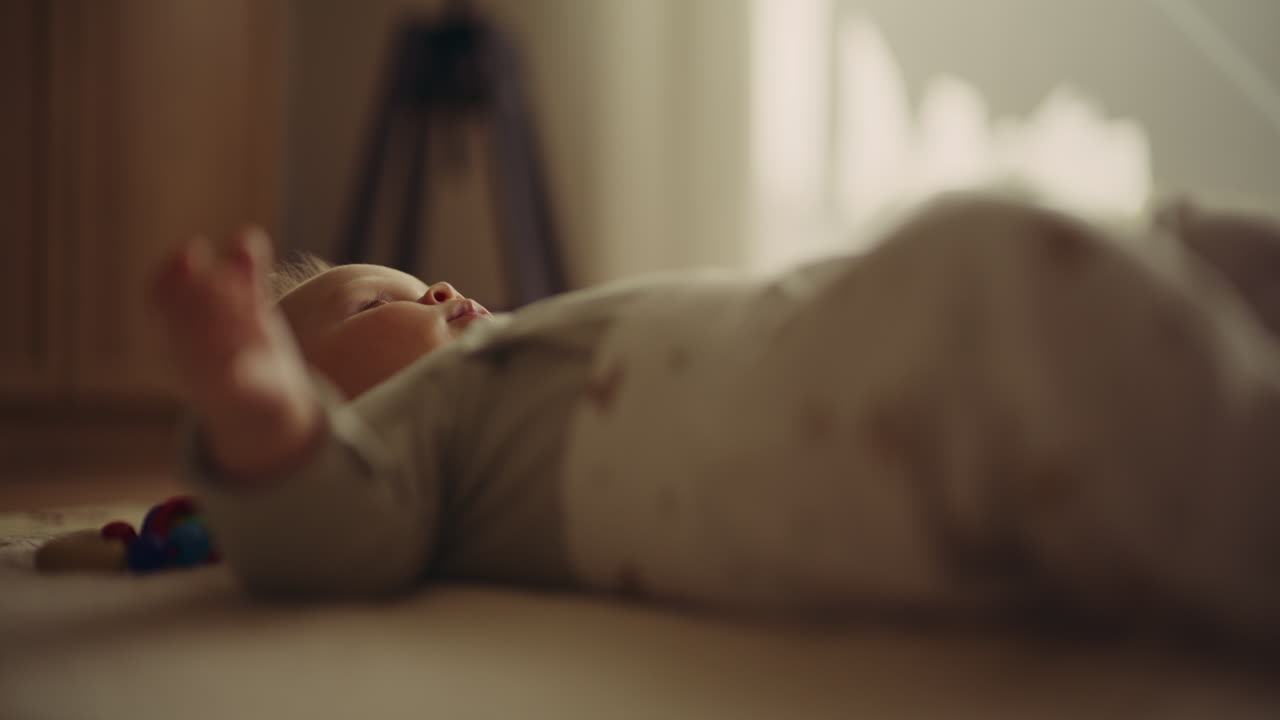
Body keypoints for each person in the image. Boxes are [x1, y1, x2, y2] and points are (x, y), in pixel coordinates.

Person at [149, 192, 1280, 639]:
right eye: (375, 298)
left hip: (814, 341)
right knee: (1009, 298)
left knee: (1149, 261)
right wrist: (255, 412)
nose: (435, 288)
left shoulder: (493, 363)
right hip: (798, 436)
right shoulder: (416, 445)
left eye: (417, 277)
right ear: (324, 405)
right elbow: (323, 536)